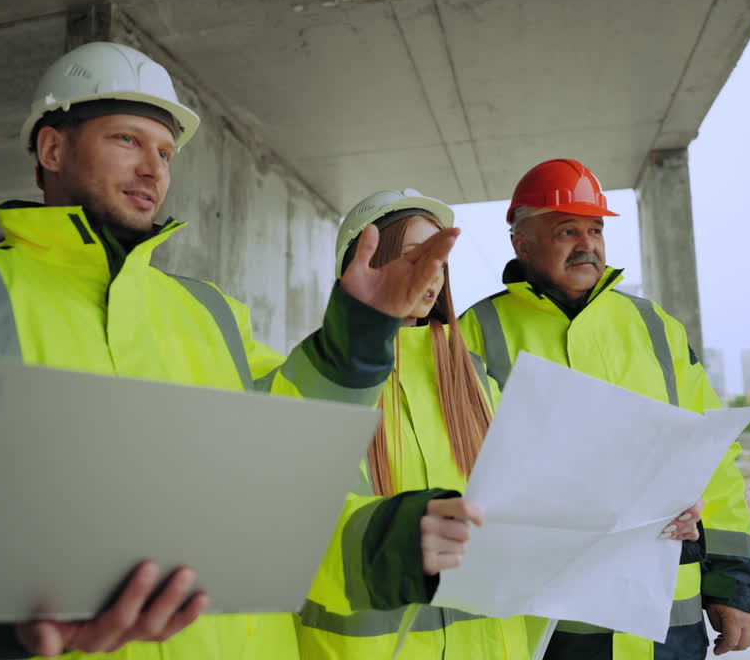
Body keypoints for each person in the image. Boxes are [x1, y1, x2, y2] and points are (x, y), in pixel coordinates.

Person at [0, 42, 458, 660]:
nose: (153, 168)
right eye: (127, 140)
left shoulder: (211, 315)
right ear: (52, 148)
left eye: (166, 152)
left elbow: (281, 496)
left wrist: (362, 338)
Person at [296, 190, 703, 660]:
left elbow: (540, 496)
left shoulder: (473, 376)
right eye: (413, 257)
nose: (431, 273)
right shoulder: (315, 381)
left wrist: (650, 510)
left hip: (491, 646)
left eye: (439, 260)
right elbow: (296, 534)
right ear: (361, 264)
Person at [460, 159, 750, 659]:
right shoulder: (475, 333)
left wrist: (731, 586)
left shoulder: (656, 327)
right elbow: (458, 470)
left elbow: (714, 460)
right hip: (551, 621)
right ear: (522, 243)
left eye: (595, 229)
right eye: (567, 230)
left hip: (667, 620)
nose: (588, 244)